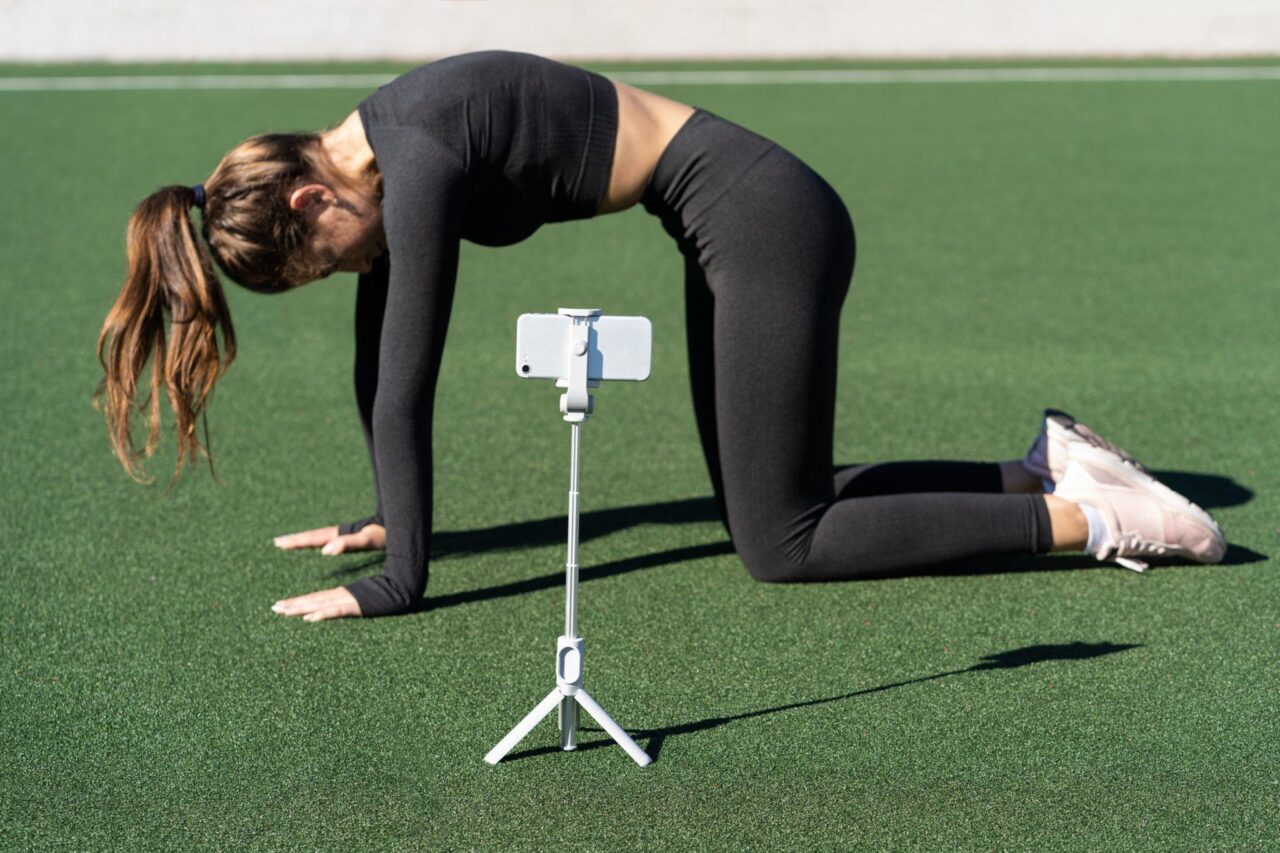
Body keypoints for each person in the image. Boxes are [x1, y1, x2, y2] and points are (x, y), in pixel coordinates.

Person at [96, 51, 1226, 621]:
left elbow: (410, 375)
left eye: (328, 256)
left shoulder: (420, 157)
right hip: (727, 219)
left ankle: (1103, 519)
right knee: (771, 498)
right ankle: (1043, 465)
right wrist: (385, 514)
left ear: (307, 202)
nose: (352, 267)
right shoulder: (382, 154)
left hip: (762, 217)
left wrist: (402, 580)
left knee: (779, 542)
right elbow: (380, 338)